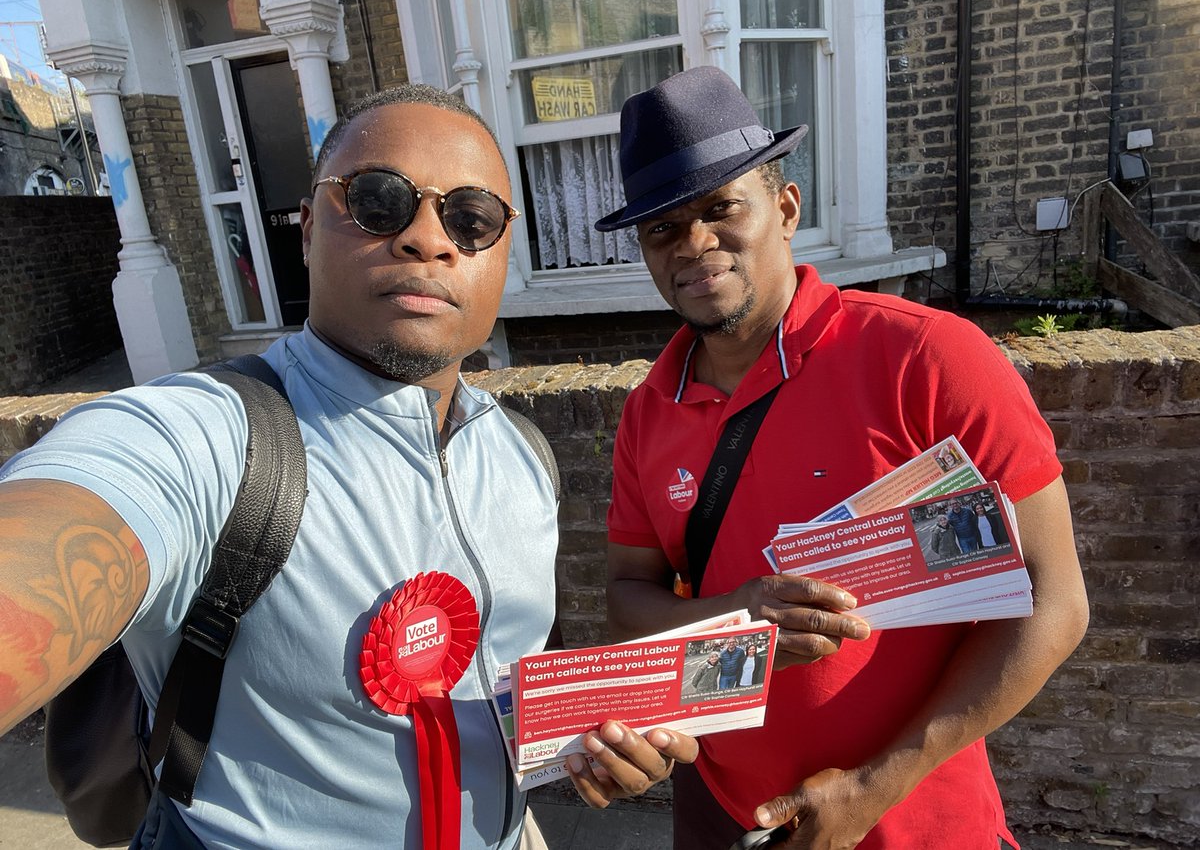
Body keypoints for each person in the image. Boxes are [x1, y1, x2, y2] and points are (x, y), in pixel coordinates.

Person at [0, 84, 696, 849]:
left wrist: (585, 747)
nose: (428, 240)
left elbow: (500, 691)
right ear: (306, 230)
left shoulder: (523, 455)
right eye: (378, 201)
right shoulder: (203, 438)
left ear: (503, 249)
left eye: (471, 220)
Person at [595, 67, 1089, 849]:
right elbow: (630, 599)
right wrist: (733, 618)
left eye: (722, 207)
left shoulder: (926, 356)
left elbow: (1053, 601)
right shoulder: (647, 410)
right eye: (661, 228)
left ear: (785, 209)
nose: (694, 245)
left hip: (915, 820)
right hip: (720, 815)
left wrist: (876, 786)